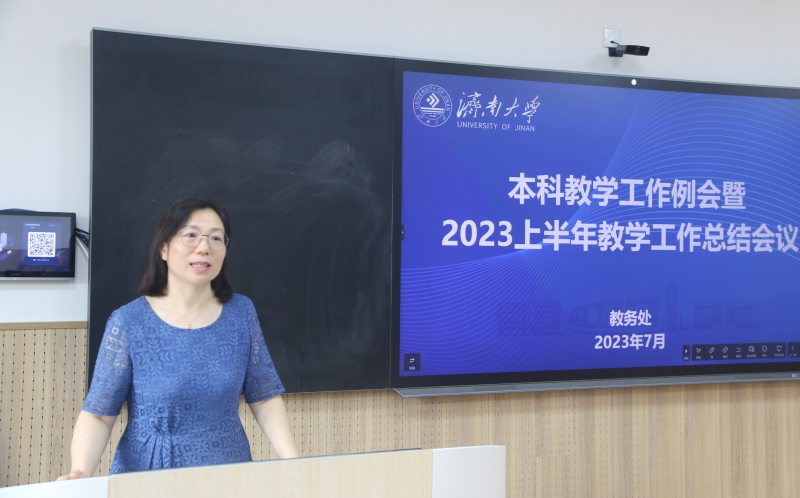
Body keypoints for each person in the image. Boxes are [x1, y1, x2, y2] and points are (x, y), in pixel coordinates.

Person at [58, 196, 300, 479]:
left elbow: (264, 397)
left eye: (216, 238)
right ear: (163, 247)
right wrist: (80, 472)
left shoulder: (241, 313)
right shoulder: (129, 321)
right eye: (191, 235)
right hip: (149, 475)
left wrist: (294, 462)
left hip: (228, 473)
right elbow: (99, 414)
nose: (204, 247)